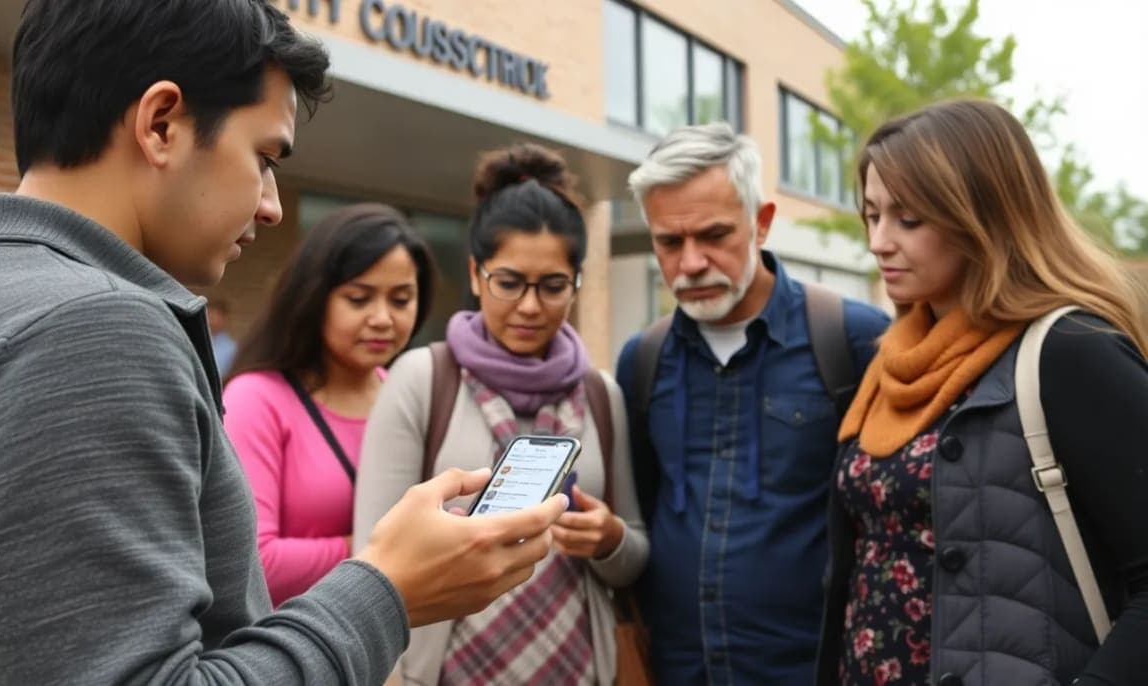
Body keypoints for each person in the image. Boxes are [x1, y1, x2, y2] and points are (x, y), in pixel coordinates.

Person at [0, 2, 567, 684]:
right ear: (162, 124)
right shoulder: (89, 327)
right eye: (264, 157)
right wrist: (387, 588)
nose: (272, 205)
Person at [816, 98, 1148, 686]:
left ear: (983, 216)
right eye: (872, 215)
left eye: (908, 220)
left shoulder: (1069, 350)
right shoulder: (891, 359)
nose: (879, 241)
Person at [354, 143, 649, 685]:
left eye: (554, 286)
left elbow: (634, 551)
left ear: (577, 282)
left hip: (581, 669)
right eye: (509, 282)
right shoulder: (422, 379)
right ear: (475, 272)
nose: (531, 306)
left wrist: (608, 540)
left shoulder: (601, 394)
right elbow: (374, 556)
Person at [615, 122, 890, 685]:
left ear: (761, 223)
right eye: (669, 242)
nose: (690, 262)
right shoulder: (642, 360)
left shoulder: (854, 341)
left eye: (714, 235)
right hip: (680, 671)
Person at [223, 204, 436, 606]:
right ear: (314, 297)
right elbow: (253, 562)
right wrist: (382, 550)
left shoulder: (405, 394)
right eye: (359, 299)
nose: (383, 319)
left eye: (401, 299)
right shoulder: (257, 400)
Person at [208, 298, 239, 377]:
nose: (210, 319)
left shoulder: (231, 348)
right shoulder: (192, 343)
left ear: (224, 318)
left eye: (215, 315)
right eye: (208, 314)